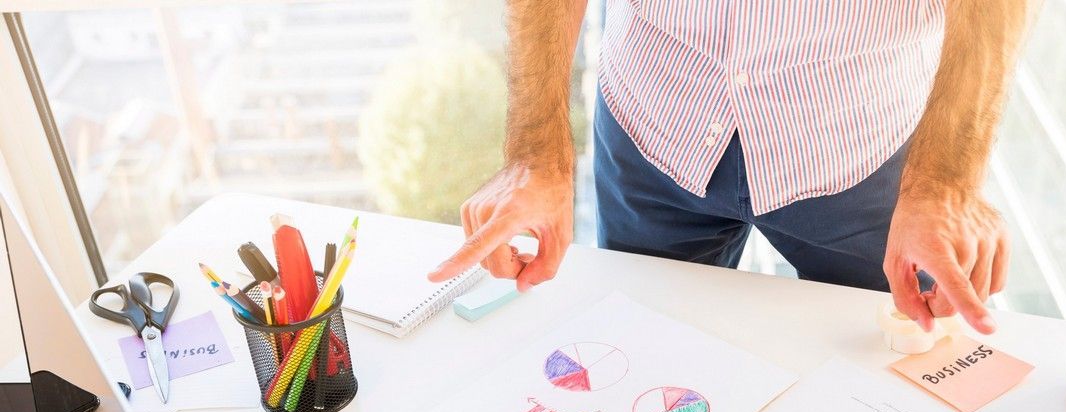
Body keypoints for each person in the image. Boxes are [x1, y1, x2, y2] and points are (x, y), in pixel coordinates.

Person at [429, 0, 1031, 335]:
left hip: (861, 145)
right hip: (655, 122)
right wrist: (537, 154)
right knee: (642, 355)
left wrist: (947, 183)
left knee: (888, 363)